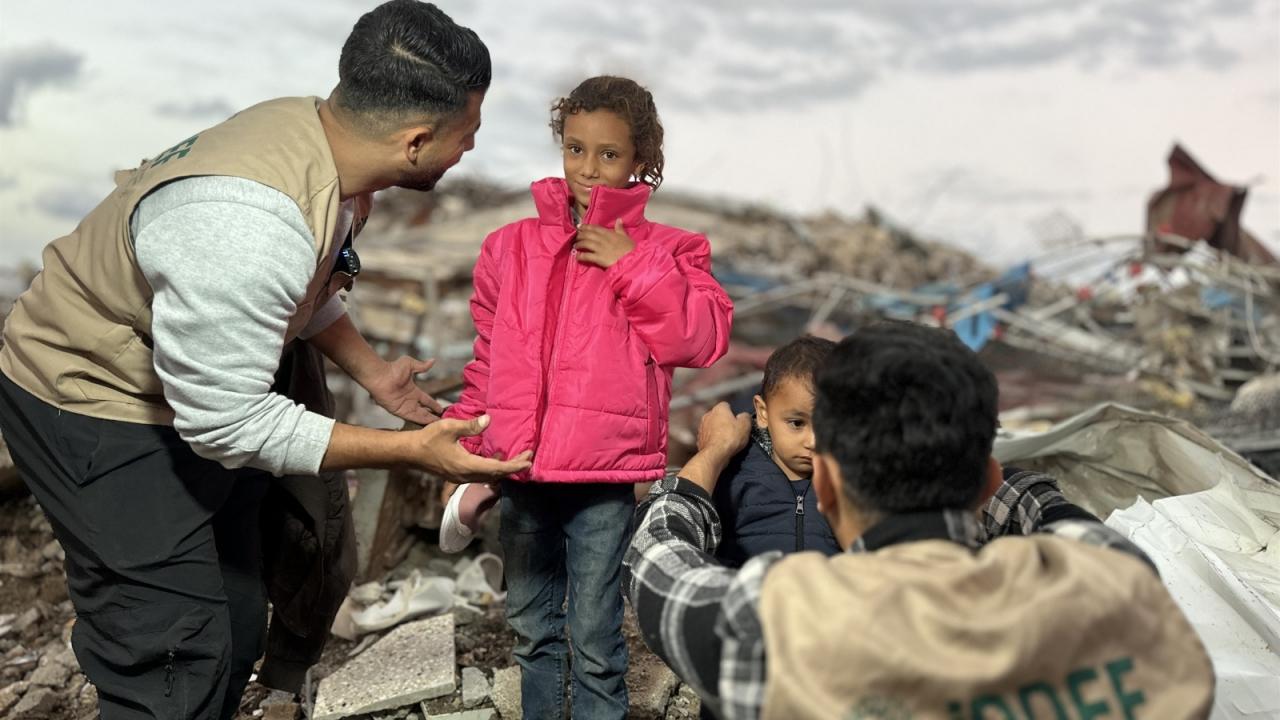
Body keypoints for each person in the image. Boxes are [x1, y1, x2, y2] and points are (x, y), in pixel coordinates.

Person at [0, 3, 530, 718]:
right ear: (415, 141)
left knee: (233, 607)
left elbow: (297, 289)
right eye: (468, 133)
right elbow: (226, 423)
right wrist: (412, 453)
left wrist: (372, 373)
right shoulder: (248, 224)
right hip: (94, 396)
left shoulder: (328, 144)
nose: (471, 148)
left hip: (195, 379)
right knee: (171, 653)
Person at [623, 321, 1215, 720]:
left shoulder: (778, 629)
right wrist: (999, 476)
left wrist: (710, 454)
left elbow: (656, 558)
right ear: (986, 478)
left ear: (826, 484)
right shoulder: (1117, 591)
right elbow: (1060, 520)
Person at [440, 76, 734, 719]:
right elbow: (488, 355)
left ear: (641, 160)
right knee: (530, 629)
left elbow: (700, 340)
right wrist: (467, 443)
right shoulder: (508, 247)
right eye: (575, 149)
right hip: (519, 469)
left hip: (602, 478)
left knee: (596, 637)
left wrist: (632, 263)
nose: (589, 169)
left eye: (609, 154)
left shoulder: (674, 250)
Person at [712, 335, 841, 568]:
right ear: (762, 412)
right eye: (796, 423)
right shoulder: (732, 477)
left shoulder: (851, 481)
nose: (813, 441)